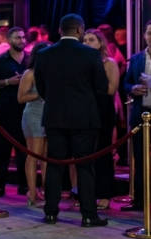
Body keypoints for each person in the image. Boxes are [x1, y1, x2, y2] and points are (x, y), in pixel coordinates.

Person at [34, 13, 109, 227]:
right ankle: (88, 215)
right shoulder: (90, 54)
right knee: (85, 167)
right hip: (84, 119)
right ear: (80, 30)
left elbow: (41, 87)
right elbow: (101, 87)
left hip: (55, 117)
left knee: (55, 165)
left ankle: (50, 213)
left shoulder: (45, 54)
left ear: (60, 30)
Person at [0, 27, 28, 197]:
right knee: (2, 151)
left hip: (26, 110)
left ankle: (24, 185)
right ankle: (0, 186)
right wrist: (7, 82)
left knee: (24, 151)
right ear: (10, 40)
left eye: (24, 37)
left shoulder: (31, 59)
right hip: (4, 110)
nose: (22, 41)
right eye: (18, 38)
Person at [83, 28, 122, 210]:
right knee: (85, 154)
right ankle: (87, 193)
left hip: (103, 111)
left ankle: (105, 193)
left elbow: (111, 89)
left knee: (103, 153)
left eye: (91, 40)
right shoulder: (81, 63)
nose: (87, 43)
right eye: (85, 40)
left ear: (100, 43)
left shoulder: (109, 63)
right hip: (86, 111)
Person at [18, 41, 52, 207]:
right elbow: (21, 98)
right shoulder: (29, 74)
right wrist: (39, 93)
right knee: (34, 154)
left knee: (46, 156)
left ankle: (45, 192)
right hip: (34, 115)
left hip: (49, 116)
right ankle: (32, 193)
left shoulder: (51, 72)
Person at [121, 21, 151, 212]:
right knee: (139, 159)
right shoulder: (136, 58)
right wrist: (132, 88)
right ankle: (139, 201)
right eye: (149, 32)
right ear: (144, 35)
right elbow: (125, 83)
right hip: (141, 114)